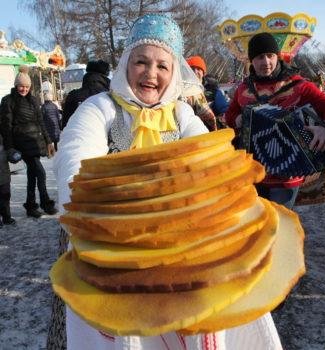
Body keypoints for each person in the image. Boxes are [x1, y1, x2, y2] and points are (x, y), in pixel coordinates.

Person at [51, 14, 283, 350]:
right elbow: (75, 166)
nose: (151, 73)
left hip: (182, 246)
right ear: (125, 65)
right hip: (111, 245)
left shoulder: (182, 115)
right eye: (141, 62)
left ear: (174, 72)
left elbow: (211, 164)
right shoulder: (98, 109)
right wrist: (114, 222)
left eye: (162, 66)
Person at [225, 32, 325, 209]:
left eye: (270, 56)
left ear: (277, 56)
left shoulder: (299, 86)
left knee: (280, 221)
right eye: (260, 57)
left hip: (288, 174)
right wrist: (236, 119)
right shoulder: (243, 89)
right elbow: (229, 114)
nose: (266, 62)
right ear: (252, 61)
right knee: (256, 220)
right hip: (251, 171)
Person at [0, 65, 57, 218]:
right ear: (16, 85)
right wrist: (10, 147)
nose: (23, 89)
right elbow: (6, 126)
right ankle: (45, 203)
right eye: (21, 86)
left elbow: (41, 122)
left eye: (26, 86)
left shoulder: (33, 100)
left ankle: (31, 206)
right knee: (41, 172)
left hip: (35, 142)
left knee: (33, 175)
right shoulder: (8, 101)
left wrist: (48, 141)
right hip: (21, 143)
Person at [62, 59, 110, 128]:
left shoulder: (73, 96)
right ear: (105, 76)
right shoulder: (111, 96)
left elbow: (65, 126)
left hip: (79, 136)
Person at [185, 55, 217, 131]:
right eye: (192, 69)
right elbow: (208, 116)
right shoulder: (191, 89)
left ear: (203, 73)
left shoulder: (210, 88)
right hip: (194, 131)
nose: (195, 72)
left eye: (199, 69)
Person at [0, 132, 15, 227]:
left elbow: (8, 150)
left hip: (4, 174)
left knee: (6, 196)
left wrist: (13, 155)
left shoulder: (2, 136)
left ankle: (6, 217)